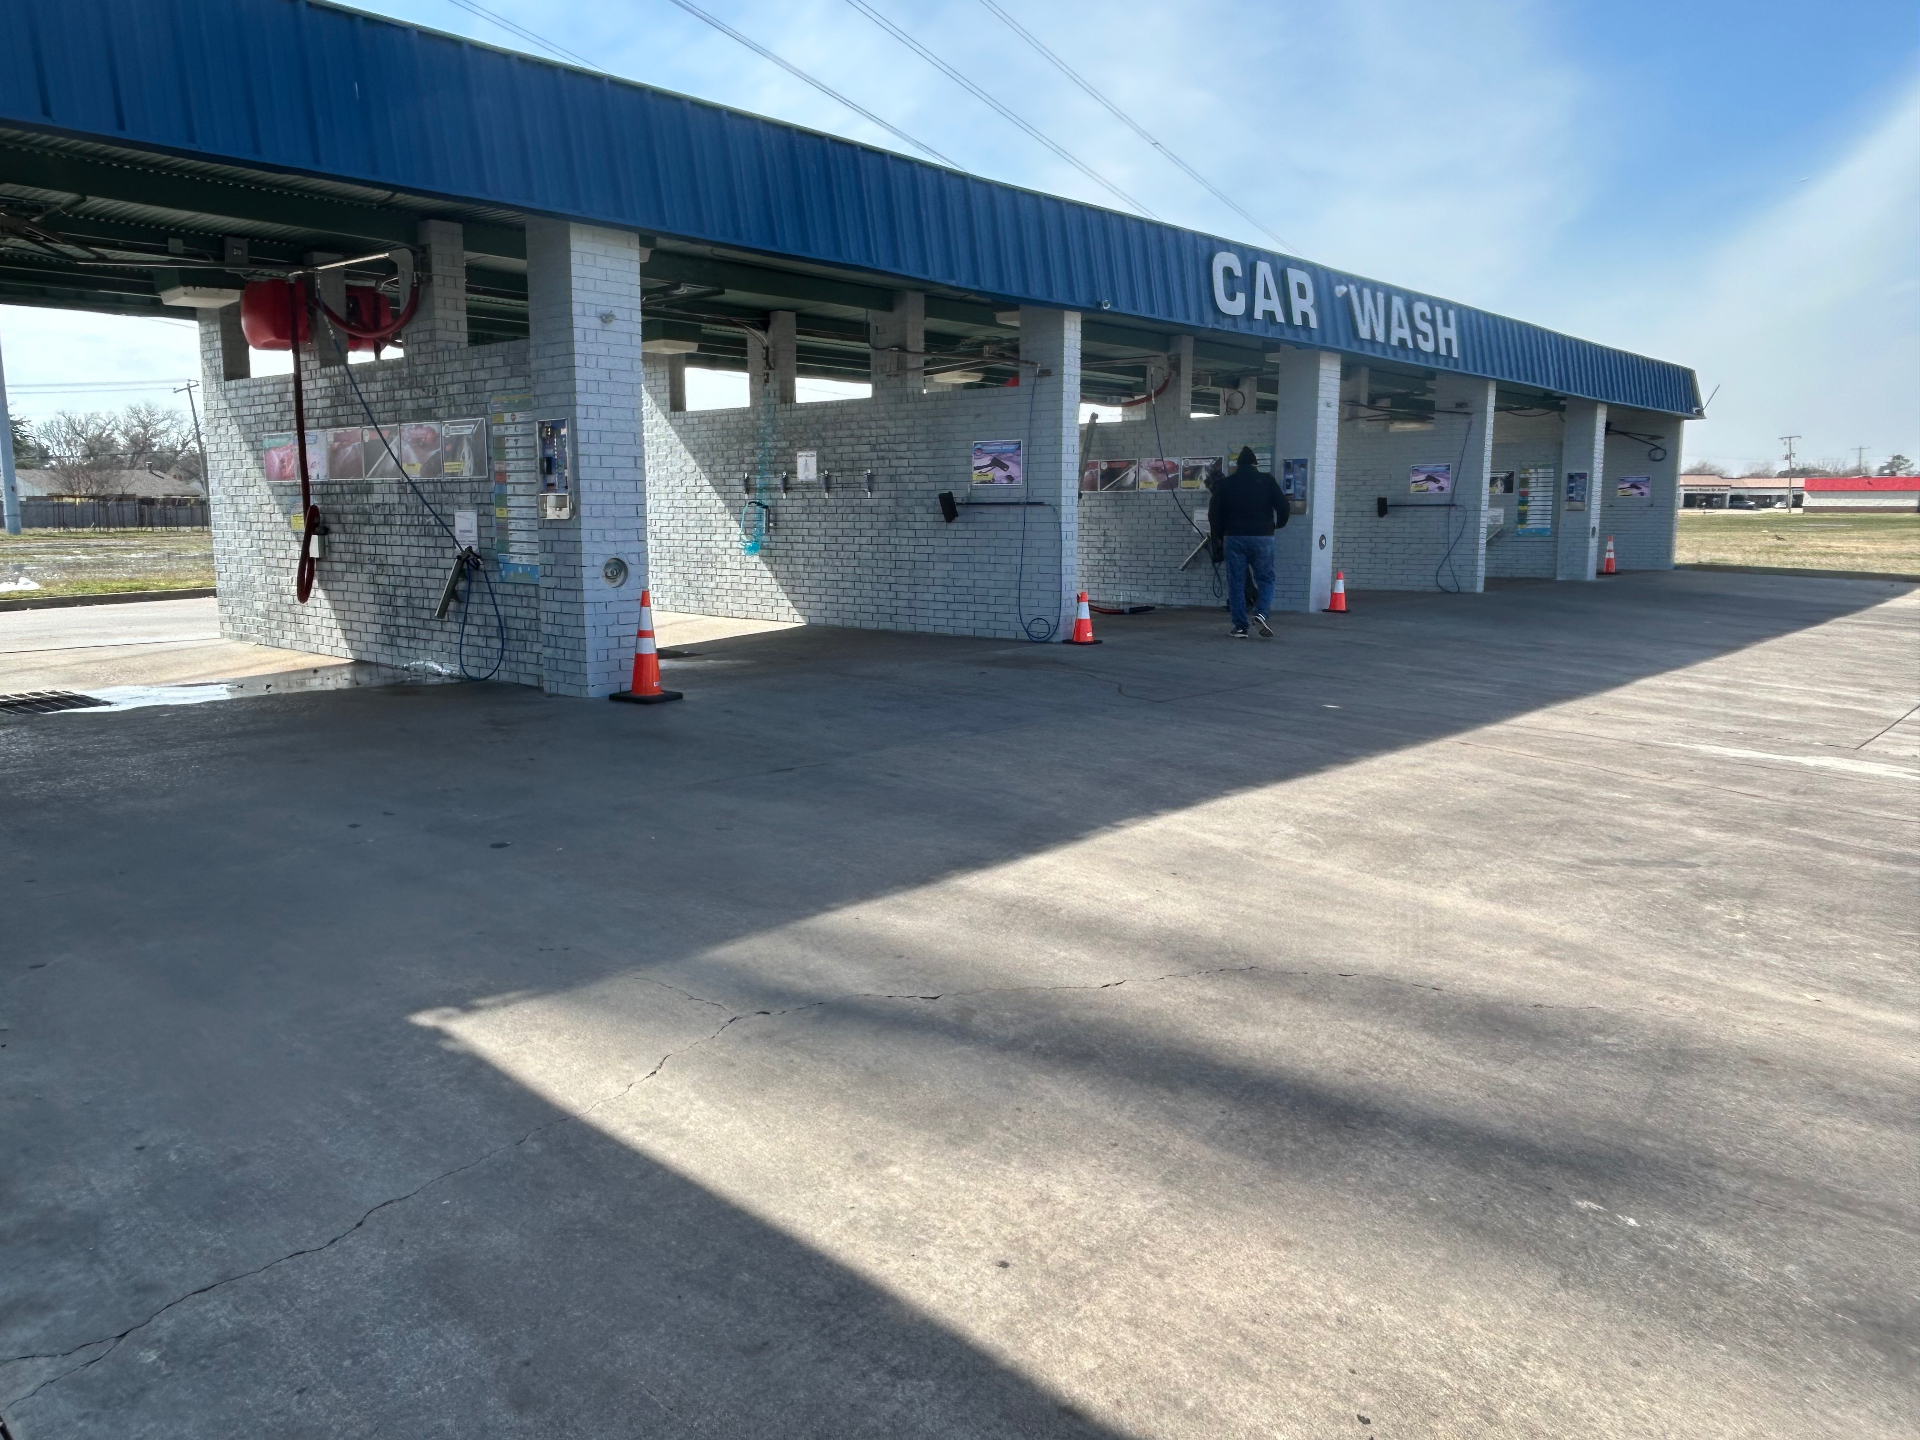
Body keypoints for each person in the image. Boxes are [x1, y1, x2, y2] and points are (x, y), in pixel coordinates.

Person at [1207, 446, 1288, 637]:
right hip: (1262, 538)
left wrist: (1218, 538)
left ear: (1238, 464)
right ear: (1255, 464)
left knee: (1236, 582)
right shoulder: (1266, 480)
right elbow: (1283, 506)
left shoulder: (1226, 484)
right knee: (1266, 578)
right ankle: (1260, 613)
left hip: (1233, 538)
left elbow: (1214, 515)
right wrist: (1279, 525)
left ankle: (1240, 626)